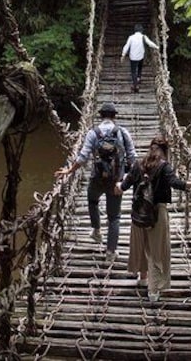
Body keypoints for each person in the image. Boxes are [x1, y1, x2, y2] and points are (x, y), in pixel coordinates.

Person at [117, 136, 191, 302]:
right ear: (165, 151)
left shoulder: (138, 165)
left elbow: (124, 186)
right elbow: (175, 183)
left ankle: (143, 277)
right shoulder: (164, 166)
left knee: (142, 244)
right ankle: (153, 291)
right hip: (157, 213)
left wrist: (116, 187)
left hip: (138, 212)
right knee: (156, 250)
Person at [55, 102, 137, 262]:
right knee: (114, 218)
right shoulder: (122, 132)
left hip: (97, 178)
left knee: (92, 201)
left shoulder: (93, 133)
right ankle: (110, 253)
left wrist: (69, 170)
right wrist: (130, 178)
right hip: (116, 181)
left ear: (100, 116)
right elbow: (132, 156)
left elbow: (83, 156)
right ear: (115, 116)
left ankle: (96, 230)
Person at [121, 24, 159, 93]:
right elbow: (150, 43)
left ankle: (135, 85)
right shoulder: (143, 37)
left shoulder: (131, 37)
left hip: (132, 57)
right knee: (140, 67)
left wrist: (123, 55)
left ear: (135, 30)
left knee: (133, 71)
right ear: (141, 30)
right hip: (140, 56)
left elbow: (126, 46)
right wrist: (157, 47)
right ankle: (138, 78)